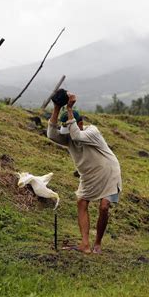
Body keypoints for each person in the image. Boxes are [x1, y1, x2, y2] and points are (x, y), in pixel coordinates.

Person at [47, 92, 122, 254]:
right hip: (88, 175)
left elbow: (77, 136)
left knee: (104, 207)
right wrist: (56, 108)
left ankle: (98, 244)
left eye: (71, 125)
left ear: (80, 122)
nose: (68, 133)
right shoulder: (69, 136)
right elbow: (52, 134)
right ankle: (85, 244)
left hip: (108, 171)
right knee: (81, 203)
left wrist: (69, 109)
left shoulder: (92, 132)